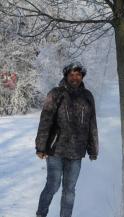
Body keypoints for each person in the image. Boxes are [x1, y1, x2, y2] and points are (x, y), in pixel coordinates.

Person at [35, 61, 99, 217]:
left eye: (78, 74)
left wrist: (93, 149)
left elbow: (92, 124)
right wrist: (41, 146)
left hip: (77, 152)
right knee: (53, 185)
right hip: (56, 149)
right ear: (66, 76)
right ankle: (41, 214)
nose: (75, 77)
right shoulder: (56, 93)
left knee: (69, 190)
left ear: (82, 77)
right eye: (71, 74)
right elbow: (46, 120)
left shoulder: (87, 96)